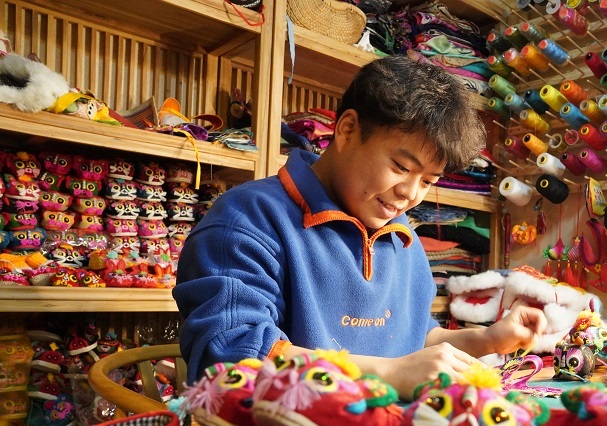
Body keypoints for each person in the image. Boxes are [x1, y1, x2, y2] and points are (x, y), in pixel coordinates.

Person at [174, 55, 546, 399]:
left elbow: (412, 340)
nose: (410, 194)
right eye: (401, 167)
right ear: (348, 129)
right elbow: (231, 356)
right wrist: (387, 374)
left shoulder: (400, 235)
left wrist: (488, 339)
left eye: (428, 181)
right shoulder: (247, 220)